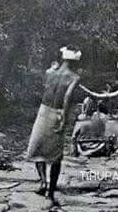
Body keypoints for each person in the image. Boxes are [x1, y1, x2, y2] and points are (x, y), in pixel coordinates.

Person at [26, 46, 82, 205]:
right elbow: (67, 96)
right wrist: (64, 117)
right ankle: (49, 193)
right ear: (75, 61)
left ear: (63, 57)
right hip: (58, 112)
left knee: (38, 147)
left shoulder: (50, 72)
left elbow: (48, 86)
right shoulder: (74, 77)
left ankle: (43, 182)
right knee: (56, 156)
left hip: (43, 111)